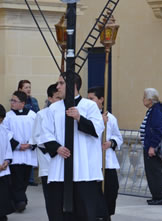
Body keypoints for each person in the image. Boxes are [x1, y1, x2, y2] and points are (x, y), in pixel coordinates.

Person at [39, 72, 105, 221]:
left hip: (83, 167)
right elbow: (45, 133)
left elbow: (97, 129)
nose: (58, 86)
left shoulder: (89, 106)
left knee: (84, 209)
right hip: (61, 164)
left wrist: (79, 117)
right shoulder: (53, 108)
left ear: (73, 85)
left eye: (61, 83)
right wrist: (56, 147)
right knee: (59, 208)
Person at [87, 86, 123, 220]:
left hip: (107, 162)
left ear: (101, 99)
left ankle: (107, 214)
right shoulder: (87, 117)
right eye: (88, 98)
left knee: (111, 190)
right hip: (93, 162)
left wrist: (111, 143)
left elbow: (118, 137)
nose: (89, 101)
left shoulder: (111, 118)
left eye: (92, 98)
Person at [30, 83, 61, 219]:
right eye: (57, 98)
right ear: (50, 98)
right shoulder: (41, 115)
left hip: (64, 163)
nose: (60, 101)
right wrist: (55, 149)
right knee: (52, 198)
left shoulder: (67, 113)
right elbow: (37, 138)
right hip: (48, 161)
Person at [3, 91, 37, 213]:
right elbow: (5, 133)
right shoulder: (8, 116)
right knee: (16, 178)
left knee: (24, 179)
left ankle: (17, 200)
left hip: (28, 153)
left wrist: (30, 143)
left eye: (14, 101)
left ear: (22, 103)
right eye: (11, 100)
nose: (12, 103)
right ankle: (21, 201)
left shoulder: (33, 115)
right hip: (15, 154)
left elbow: (37, 131)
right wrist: (17, 145)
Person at [140, 88, 162, 206]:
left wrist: (152, 146)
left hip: (152, 148)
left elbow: (158, 129)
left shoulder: (156, 111)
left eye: (144, 97)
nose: (142, 100)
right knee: (151, 172)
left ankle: (159, 197)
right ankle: (156, 196)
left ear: (150, 100)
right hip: (149, 146)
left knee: (154, 172)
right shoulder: (153, 110)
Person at [18, 79, 40, 186]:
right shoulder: (18, 101)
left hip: (33, 129)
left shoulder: (34, 100)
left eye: (29, 87)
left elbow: (38, 113)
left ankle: (30, 179)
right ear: (20, 89)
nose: (28, 89)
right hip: (22, 130)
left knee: (31, 153)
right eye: (26, 87)